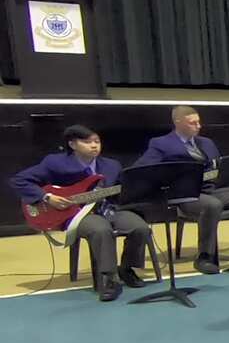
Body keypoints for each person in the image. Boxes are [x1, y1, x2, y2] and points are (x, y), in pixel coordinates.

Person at [9, 125, 154, 302]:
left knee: (140, 228)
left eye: (97, 141)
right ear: (72, 144)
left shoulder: (111, 165)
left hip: (107, 209)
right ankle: (109, 279)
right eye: (87, 142)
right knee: (101, 230)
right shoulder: (55, 163)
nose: (94, 145)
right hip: (76, 215)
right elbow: (19, 180)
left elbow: (122, 191)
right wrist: (47, 197)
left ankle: (126, 268)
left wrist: (140, 187)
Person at [136, 105, 229, 275]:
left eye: (199, 122)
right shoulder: (161, 144)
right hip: (186, 195)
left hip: (213, 190)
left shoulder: (207, 143)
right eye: (193, 123)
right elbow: (142, 168)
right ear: (178, 122)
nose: (198, 126)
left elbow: (219, 167)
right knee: (212, 205)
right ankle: (205, 256)